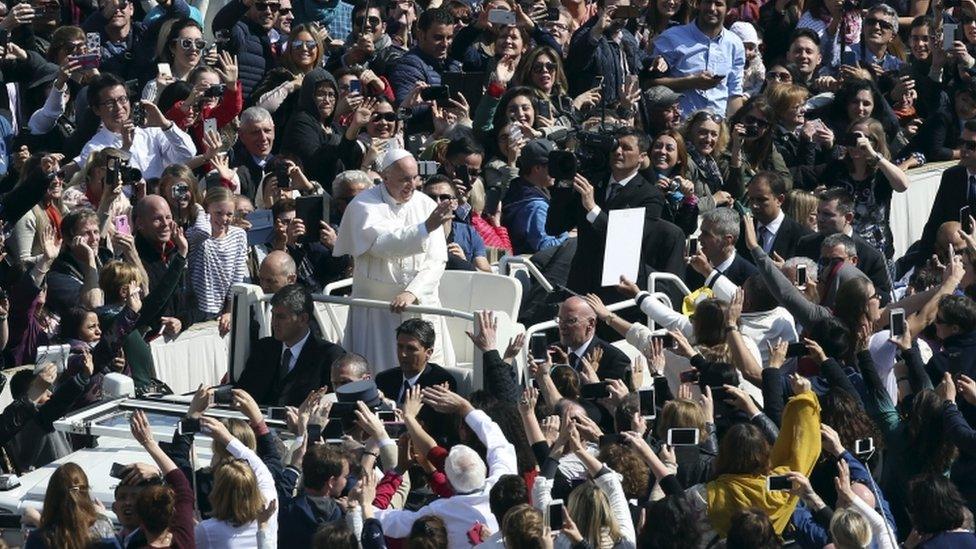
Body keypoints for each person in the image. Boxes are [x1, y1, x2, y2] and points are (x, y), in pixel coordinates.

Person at [333, 149, 456, 370]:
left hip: (419, 302)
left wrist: (413, 291)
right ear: (385, 176)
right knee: (377, 370)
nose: (412, 184)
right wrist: (424, 228)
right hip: (378, 311)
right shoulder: (363, 205)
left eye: (415, 178)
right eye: (404, 179)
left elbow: (437, 260)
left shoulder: (426, 204)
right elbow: (382, 245)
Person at [372, 386, 517, 548]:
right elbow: (499, 444)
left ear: (448, 481)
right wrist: (465, 408)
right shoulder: (503, 487)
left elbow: (385, 522)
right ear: (484, 468)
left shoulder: (439, 511)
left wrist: (362, 504)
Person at [546, 127, 668, 298]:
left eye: (626, 148)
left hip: (618, 288)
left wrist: (593, 209)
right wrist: (564, 185)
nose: (618, 152)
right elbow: (554, 227)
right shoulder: (592, 184)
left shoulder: (650, 196)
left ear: (642, 157)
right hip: (581, 282)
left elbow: (628, 240)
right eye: (615, 147)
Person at [68, 73, 197, 180]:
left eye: (122, 99)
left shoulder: (151, 131)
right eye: (109, 103)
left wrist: (165, 124)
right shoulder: (95, 147)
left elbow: (187, 154)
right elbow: (104, 183)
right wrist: (125, 149)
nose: (119, 108)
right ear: (96, 109)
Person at [236, 283, 345, 406]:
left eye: (281, 317)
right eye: (273, 315)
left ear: (303, 319)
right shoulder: (264, 349)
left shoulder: (330, 356)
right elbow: (242, 392)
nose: (274, 323)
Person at [795, 187, 893, 303]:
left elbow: (884, 298)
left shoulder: (871, 256)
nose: (820, 219)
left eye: (827, 214)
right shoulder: (806, 244)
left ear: (848, 218)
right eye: (819, 213)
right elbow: (799, 285)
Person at [652, 0, 746, 116]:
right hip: (679, 125)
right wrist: (690, 82)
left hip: (716, 128)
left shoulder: (734, 44)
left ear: (728, 10)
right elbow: (649, 84)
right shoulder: (671, 38)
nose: (712, 8)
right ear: (698, 4)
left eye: (718, 4)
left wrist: (733, 129)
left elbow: (734, 93)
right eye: (707, 2)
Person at [500, 138, 570, 255]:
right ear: (537, 168)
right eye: (553, 166)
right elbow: (544, 248)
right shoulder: (536, 206)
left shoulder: (517, 186)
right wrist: (566, 235)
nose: (557, 171)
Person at [24, 463, 116, 548]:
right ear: (85, 493)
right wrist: (103, 518)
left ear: (50, 497)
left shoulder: (37, 539)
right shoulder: (102, 531)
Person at [277, 444, 348, 547]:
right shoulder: (338, 517)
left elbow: (281, 492)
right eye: (345, 476)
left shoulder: (285, 509)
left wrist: (294, 467)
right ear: (331, 482)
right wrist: (350, 514)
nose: (346, 481)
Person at [389, 8, 461, 105]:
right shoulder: (408, 66)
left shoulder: (454, 65)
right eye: (438, 38)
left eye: (449, 38)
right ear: (421, 35)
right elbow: (406, 109)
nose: (445, 44)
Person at [736, 171, 812, 262]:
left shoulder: (801, 237)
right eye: (752, 199)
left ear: (780, 200)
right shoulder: (741, 229)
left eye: (761, 200)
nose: (754, 205)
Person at [555, 296, 631, 381]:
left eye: (570, 321)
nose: (562, 326)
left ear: (591, 324)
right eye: (560, 320)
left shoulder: (614, 361)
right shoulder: (552, 353)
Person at [686, 207, 758, 290]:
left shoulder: (750, 277)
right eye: (701, 232)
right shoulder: (694, 269)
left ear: (727, 241)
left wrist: (708, 272)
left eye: (706, 234)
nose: (700, 238)